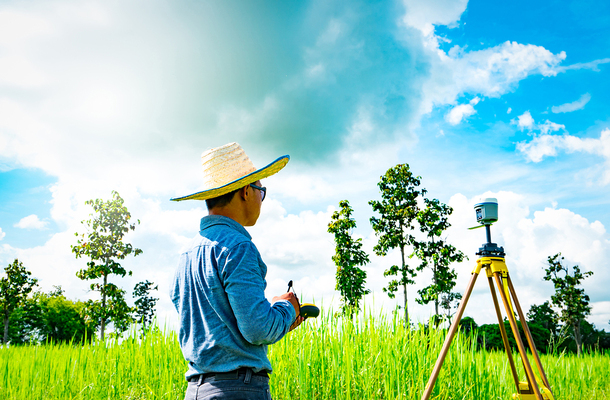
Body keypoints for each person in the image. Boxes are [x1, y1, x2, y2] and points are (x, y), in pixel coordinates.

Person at [170, 142, 303, 400]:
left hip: (196, 391)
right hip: (237, 390)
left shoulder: (185, 254)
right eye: (261, 191)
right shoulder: (239, 247)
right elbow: (258, 329)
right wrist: (287, 309)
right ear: (245, 191)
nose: (261, 199)